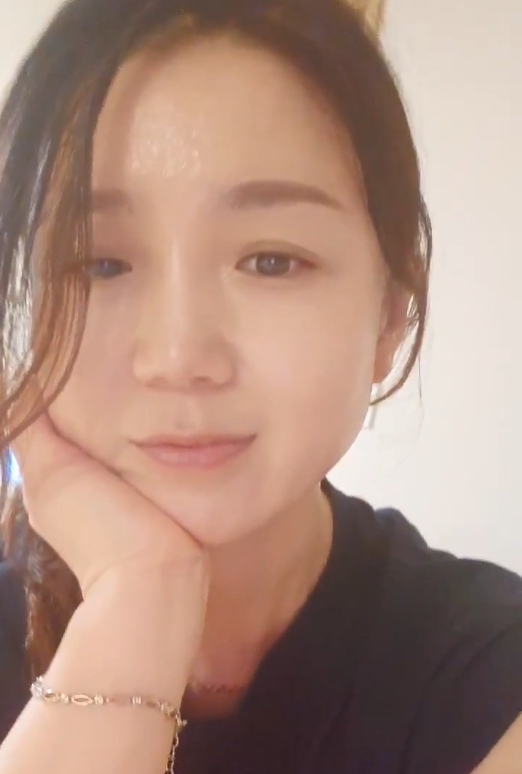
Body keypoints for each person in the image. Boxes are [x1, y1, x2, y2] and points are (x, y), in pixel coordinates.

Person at [0, 1, 520, 773]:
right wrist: (135, 611)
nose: (178, 356)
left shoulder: (487, 676)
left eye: (271, 262)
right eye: (100, 264)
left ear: (389, 317)